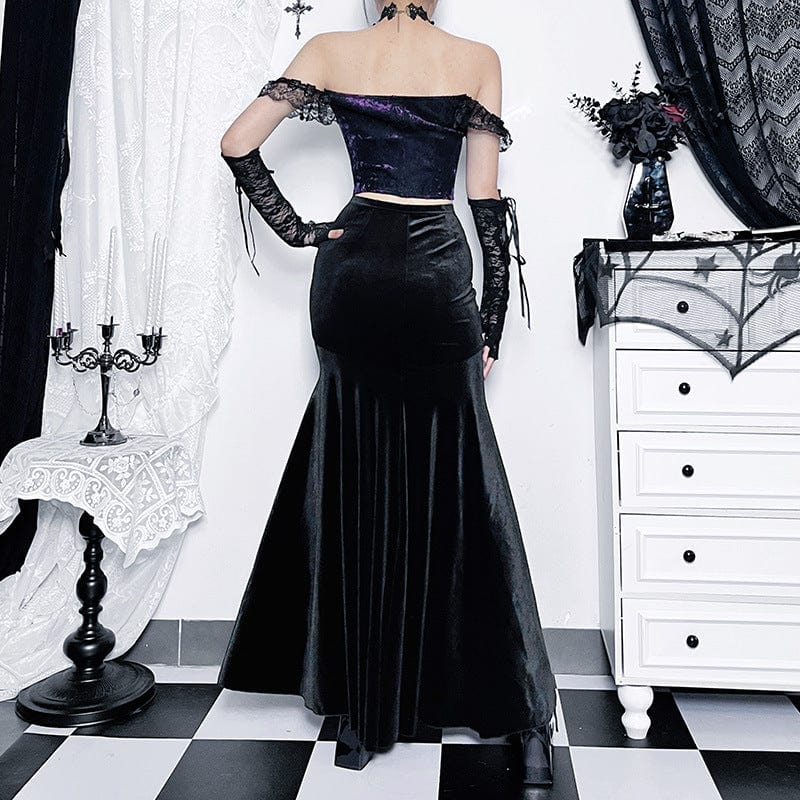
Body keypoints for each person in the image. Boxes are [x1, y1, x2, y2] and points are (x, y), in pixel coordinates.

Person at [217, 0, 557, 785]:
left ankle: (361, 712)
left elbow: (236, 143)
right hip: (435, 271)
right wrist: (492, 320)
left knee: (358, 472)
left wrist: (302, 232)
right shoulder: (476, 58)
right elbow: (486, 204)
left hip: (355, 272)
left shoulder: (330, 49)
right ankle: (521, 719)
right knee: (464, 480)